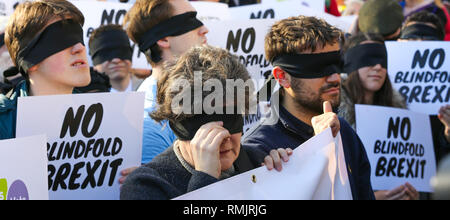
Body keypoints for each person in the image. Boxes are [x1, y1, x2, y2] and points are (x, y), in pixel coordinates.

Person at [120, 45, 291, 200]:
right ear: (177, 125)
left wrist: (286, 177)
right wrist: (205, 178)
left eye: (231, 119)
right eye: (205, 124)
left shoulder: (257, 162)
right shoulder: (146, 186)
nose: (222, 136)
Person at [242, 15, 375, 200]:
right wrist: (319, 148)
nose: (334, 77)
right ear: (282, 77)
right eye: (317, 68)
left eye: (337, 64)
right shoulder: (259, 150)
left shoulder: (344, 131)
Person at [123, 0, 209, 164]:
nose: (204, 29)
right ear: (163, 38)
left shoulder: (208, 90)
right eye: (190, 21)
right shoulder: (149, 123)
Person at [340, 32, 420, 200]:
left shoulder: (401, 113)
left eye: (382, 60)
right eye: (368, 58)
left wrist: (412, 192)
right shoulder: (333, 115)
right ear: (350, 62)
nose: (378, 67)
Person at [88, 24, 142, 92]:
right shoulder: (82, 99)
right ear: (94, 62)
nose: (116, 60)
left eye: (122, 51)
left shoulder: (150, 90)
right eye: (106, 53)